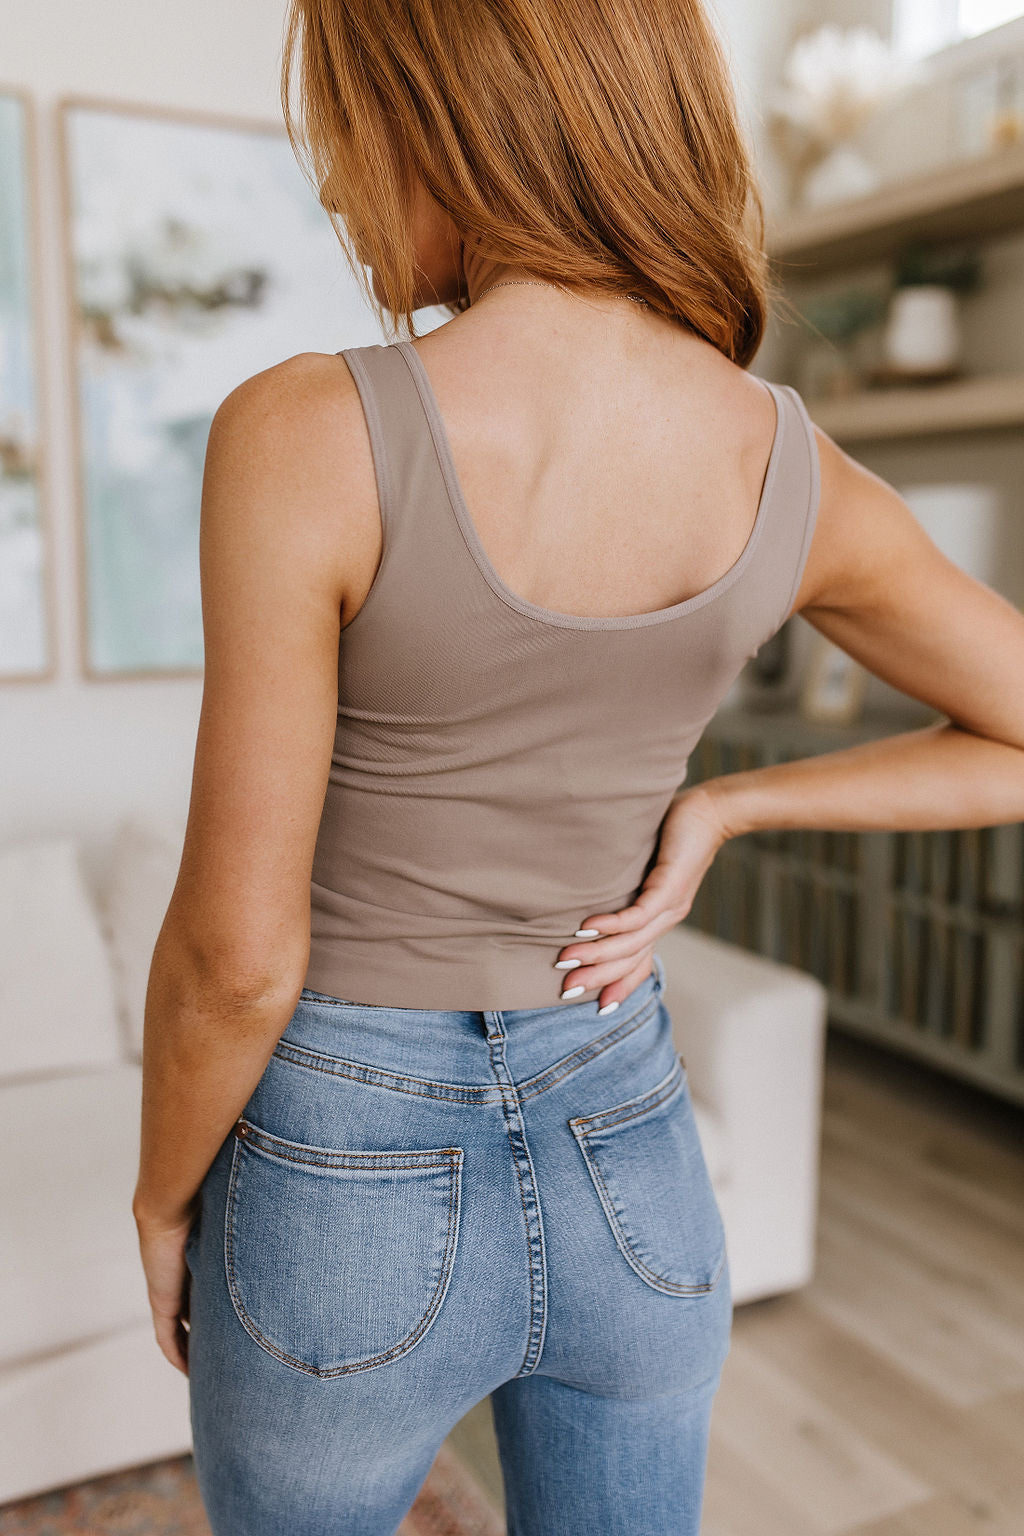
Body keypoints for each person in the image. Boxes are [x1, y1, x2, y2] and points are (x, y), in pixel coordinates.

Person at [131, 1, 1024, 1532]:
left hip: (342, 1171)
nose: (340, 191)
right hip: (630, 1138)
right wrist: (729, 807)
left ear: (446, 120)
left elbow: (235, 962)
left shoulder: (304, 431)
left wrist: (162, 1201)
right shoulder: (783, 462)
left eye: (346, 137)